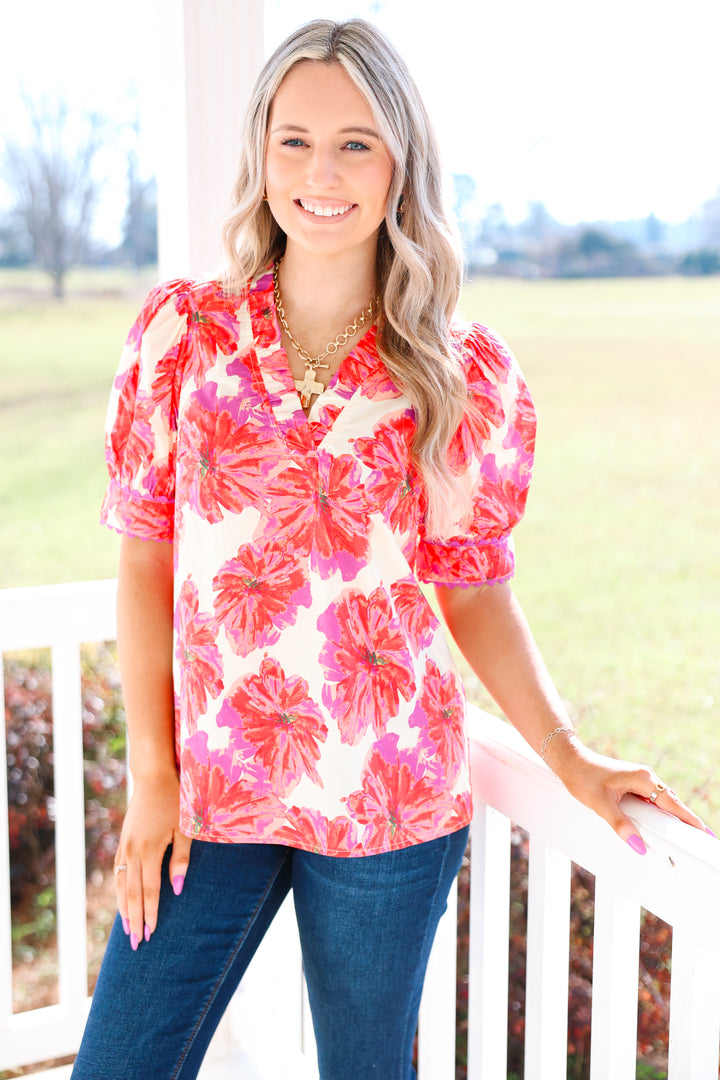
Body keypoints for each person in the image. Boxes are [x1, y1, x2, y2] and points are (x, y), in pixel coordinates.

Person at [71, 18, 709, 1080]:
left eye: (357, 142)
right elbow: (143, 561)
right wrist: (152, 778)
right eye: (295, 141)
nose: (322, 172)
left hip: (390, 798)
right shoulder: (184, 338)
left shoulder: (459, 373)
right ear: (261, 153)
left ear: (402, 160)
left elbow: (476, 594)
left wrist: (567, 755)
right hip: (210, 796)